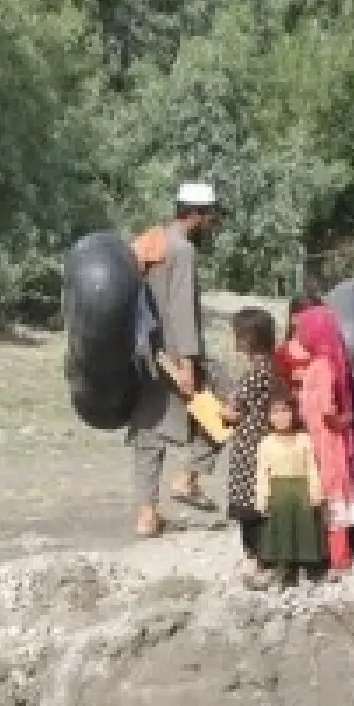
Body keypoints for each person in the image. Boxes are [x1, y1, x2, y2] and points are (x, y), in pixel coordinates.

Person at [129, 182, 222, 537]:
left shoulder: (151, 241)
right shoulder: (182, 251)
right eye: (211, 216)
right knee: (223, 412)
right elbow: (181, 310)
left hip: (145, 355)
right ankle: (188, 478)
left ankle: (146, 515)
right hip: (174, 356)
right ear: (197, 216)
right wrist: (187, 364)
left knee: (147, 431)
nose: (213, 224)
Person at [285, 296, 354, 569]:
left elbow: (329, 410)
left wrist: (338, 422)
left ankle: (339, 557)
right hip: (324, 439)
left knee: (330, 493)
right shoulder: (332, 362)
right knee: (329, 494)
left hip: (324, 442)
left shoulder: (321, 366)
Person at [222, 307, 280, 584]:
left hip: (249, 446)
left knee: (249, 503)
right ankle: (266, 555)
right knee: (263, 499)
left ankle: (256, 557)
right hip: (264, 442)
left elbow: (235, 410)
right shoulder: (272, 367)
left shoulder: (256, 373)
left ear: (248, 339)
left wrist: (219, 410)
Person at [253, 392, 326, 584]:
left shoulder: (304, 439)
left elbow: (312, 466)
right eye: (276, 412)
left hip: (301, 489)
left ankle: (311, 565)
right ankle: (287, 568)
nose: (281, 416)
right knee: (282, 528)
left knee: (306, 526)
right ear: (269, 417)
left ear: (293, 413)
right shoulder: (265, 444)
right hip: (278, 491)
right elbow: (262, 473)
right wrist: (262, 498)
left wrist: (316, 490)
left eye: (285, 411)